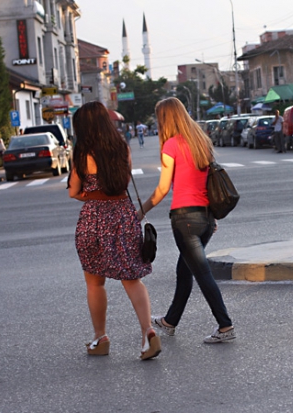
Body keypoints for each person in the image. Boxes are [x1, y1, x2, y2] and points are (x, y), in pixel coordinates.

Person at [68, 101, 161, 360]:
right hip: (123, 214)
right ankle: (148, 332)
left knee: (94, 282)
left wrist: (90, 194)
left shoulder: (83, 153)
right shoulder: (122, 148)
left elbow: (74, 191)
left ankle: (101, 338)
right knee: (131, 278)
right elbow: (123, 181)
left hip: (94, 219)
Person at [138, 97, 235, 344]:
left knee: (202, 274)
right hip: (205, 218)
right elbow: (207, 183)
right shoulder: (201, 141)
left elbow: (162, 189)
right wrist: (212, 217)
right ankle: (170, 321)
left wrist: (139, 212)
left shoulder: (171, 145)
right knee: (185, 270)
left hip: (185, 220)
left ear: (165, 119)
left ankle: (225, 326)